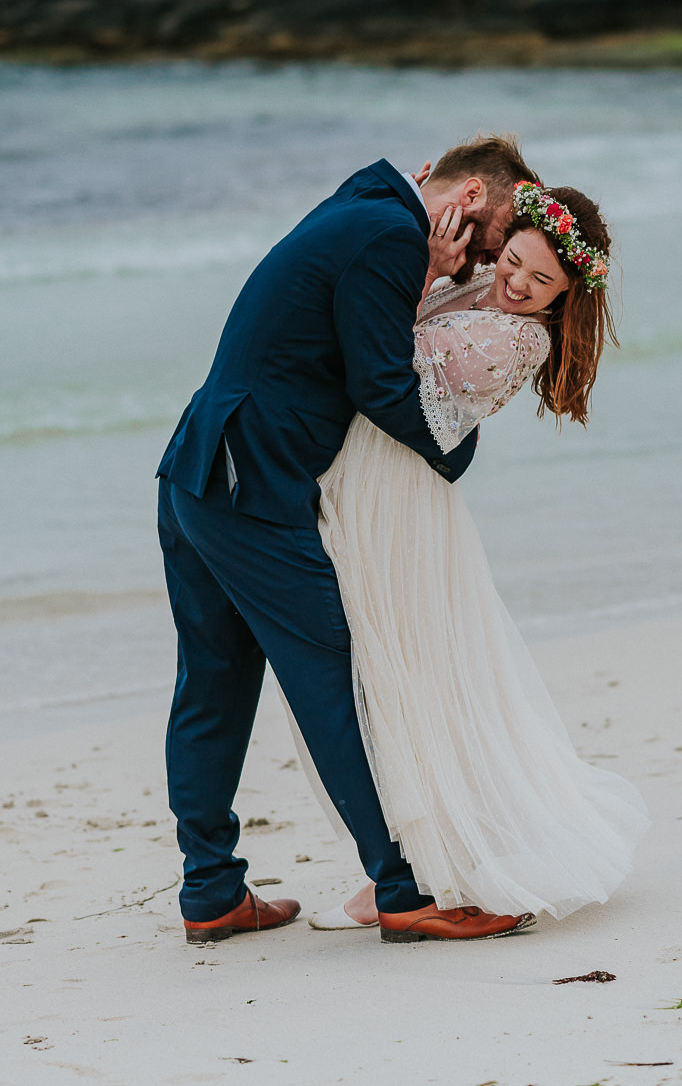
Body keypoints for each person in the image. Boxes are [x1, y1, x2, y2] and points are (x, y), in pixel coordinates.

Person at [157, 135, 543, 944]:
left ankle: (211, 892)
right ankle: (403, 891)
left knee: (214, 683)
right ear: (468, 198)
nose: (488, 258)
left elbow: (350, 332)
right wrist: (457, 449)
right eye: (494, 234)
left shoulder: (364, 203)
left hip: (201, 464)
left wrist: (435, 277)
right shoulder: (387, 236)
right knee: (335, 675)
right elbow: (383, 383)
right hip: (251, 481)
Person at [308, 181, 650, 935]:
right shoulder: (476, 284)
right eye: (518, 263)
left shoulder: (518, 339)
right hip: (370, 479)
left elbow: (381, 358)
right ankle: (404, 862)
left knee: (403, 672)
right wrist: (436, 262)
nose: (518, 285)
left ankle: (424, 867)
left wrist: (421, 273)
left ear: (564, 298)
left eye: (541, 283)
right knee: (380, 671)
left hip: (397, 494)